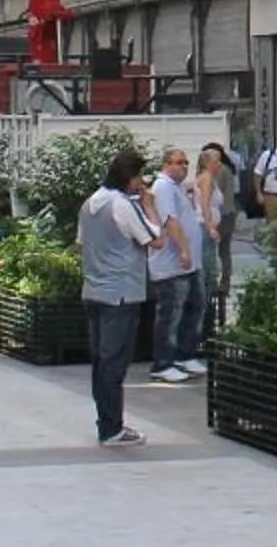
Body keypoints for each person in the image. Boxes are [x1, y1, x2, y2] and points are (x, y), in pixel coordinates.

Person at [76, 149, 162, 447]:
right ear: (128, 177)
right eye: (139, 177)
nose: (142, 183)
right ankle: (112, 428)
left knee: (101, 362)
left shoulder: (89, 205)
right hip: (122, 294)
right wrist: (150, 207)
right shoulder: (122, 205)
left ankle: (106, 421)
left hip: (94, 291)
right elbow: (155, 239)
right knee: (115, 362)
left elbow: (81, 244)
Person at [146, 147, 208, 385]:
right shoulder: (163, 187)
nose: (183, 166)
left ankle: (185, 354)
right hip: (172, 265)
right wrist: (183, 249)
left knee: (194, 308)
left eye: (185, 162)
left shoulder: (176, 187)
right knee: (170, 313)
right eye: (178, 162)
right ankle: (163, 363)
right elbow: (169, 221)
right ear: (166, 164)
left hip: (188, 264)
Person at [195, 144, 239, 313]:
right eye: (216, 162)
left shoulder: (210, 176)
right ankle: (206, 302)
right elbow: (205, 203)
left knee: (216, 256)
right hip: (207, 226)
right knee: (208, 264)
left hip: (216, 221)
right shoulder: (206, 178)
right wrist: (210, 225)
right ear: (208, 162)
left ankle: (212, 295)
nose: (219, 165)